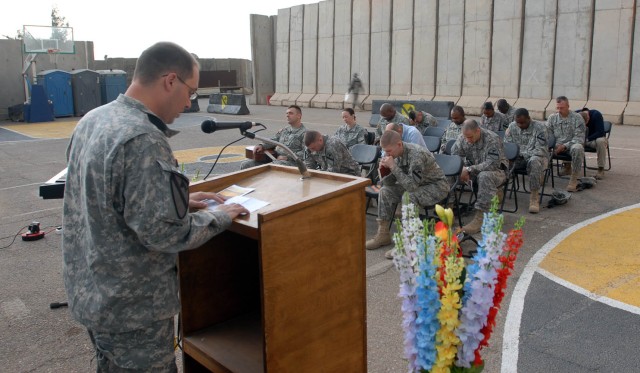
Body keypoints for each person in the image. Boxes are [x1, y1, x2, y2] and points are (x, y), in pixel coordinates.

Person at [62, 42, 249, 372]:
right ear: (170, 80)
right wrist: (220, 216)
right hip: (133, 311)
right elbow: (163, 234)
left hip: (94, 294)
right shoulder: (142, 138)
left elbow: (105, 196)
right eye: (190, 91)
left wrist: (178, 200)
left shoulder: (95, 120)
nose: (189, 102)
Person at [366, 130, 449, 259]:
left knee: (409, 196)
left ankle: (409, 242)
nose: (386, 154)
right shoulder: (396, 155)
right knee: (385, 191)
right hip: (417, 186)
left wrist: (393, 167)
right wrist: (384, 170)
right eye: (385, 151)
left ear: (399, 144)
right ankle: (383, 233)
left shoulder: (416, 155)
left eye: (389, 151)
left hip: (436, 187)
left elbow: (411, 186)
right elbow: (389, 184)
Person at [452, 119, 508, 234]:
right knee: (450, 172)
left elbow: (492, 164)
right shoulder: (464, 137)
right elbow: (455, 155)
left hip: (496, 172)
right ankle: (448, 209)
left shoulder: (492, 139)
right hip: (472, 169)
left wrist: (468, 169)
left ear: (478, 131)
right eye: (466, 137)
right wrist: (462, 168)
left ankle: (480, 218)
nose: (468, 140)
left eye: (470, 137)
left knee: (484, 176)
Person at [504, 108, 549, 213]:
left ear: (529, 118)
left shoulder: (540, 128)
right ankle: (499, 190)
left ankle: (534, 197)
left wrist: (522, 155)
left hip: (537, 158)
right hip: (517, 159)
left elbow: (540, 150)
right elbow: (508, 146)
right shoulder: (512, 126)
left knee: (534, 161)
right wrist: (511, 156)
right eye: (518, 122)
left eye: (523, 123)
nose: (520, 125)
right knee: (500, 159)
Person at [241, 105, 307, 169]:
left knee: (274, 166)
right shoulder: (285, 130)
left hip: (291, 163)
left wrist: (288, 157)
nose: (287, 115)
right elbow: (273, 140)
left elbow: (305, 152)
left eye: (291, 113)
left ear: (299, 116)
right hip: (273, 158)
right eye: (287, 113)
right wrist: (262, 145)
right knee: (246, 165)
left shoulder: (305, 133)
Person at [547, 96, 586, 192]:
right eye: (558, 108)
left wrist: (565, 146)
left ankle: (574, 178)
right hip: (556, 146)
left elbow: (579, 138)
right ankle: (541, 174)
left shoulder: (577, 118)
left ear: (568, 106)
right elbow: (547, 134)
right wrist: (551, 145)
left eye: (562, 108)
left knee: (578, 148)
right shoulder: (552, 118)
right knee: (541, 146)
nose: (559, 110)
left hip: (572, 145)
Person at [578, 108, 607, 179]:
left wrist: (587, 139)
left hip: (592, 140)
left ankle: (601, 168)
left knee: (601, 141)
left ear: (588, 117)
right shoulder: (576, 114)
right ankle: (567, 166)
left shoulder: (596, 115)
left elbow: (600, 132)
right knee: (566, 137)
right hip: (580, 139)